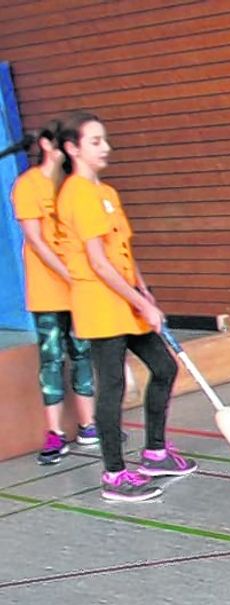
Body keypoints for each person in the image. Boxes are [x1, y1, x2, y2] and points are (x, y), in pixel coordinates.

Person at [56, 111, 195, 502]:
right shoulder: (76, 194)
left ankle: (154, 453)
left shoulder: (107, 193)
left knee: (165, 367)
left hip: (127, 300)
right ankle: (114, 475)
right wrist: (139, 301)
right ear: (73, 148)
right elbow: (98, 263)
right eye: (96, 141)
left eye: (105, 140)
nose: (106, 148)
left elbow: (123, 252)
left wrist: (145, 293)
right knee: (112, 386)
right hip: (100, 303)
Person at [5, 118, 97, 463]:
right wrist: (68, 276)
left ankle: (89, 426)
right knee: (52, 358)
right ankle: (56, 433)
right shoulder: (27, 185)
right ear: (47, 145)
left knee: (82, 353)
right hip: (48, 291)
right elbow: (38, 241)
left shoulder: (73, 186)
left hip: (79, 290)